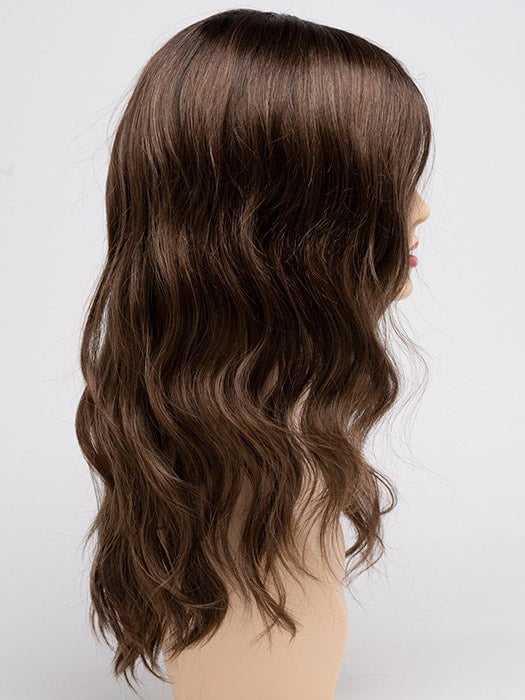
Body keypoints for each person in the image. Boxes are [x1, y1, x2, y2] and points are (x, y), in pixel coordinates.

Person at [75, 8, 433, 699]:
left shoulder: (259, 437)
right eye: (386, 182)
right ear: (286, 222)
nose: (419, 209)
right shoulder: (271, 461)